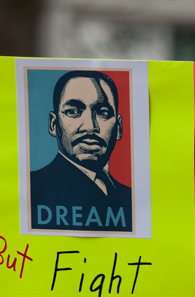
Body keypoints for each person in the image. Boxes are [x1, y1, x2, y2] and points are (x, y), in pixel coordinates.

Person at [30, 70, 132, 232]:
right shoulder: (30, 189)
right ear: (53, 124)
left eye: (103, 113)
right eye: (73, 112)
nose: (90, 127)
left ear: (119, 127)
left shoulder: (132, 198)